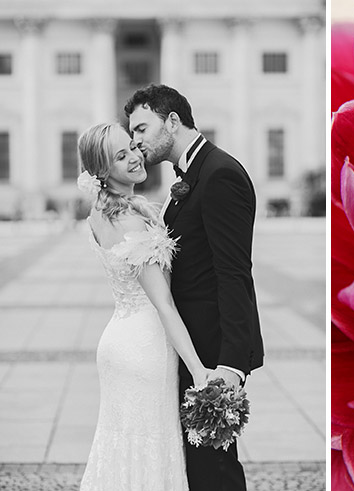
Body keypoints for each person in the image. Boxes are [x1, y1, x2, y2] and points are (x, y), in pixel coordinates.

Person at [125, 84, 264, 491]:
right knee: (197, 465)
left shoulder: (219, 174)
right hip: (190, 342)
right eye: (132, 133)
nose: (136, 141)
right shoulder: (191, 174)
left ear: (172, 121)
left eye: (141, 129)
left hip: (211, 351)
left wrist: (232, 364)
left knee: (214, 470)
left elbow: (234, 271)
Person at [77, 122, 212, 490]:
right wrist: (199, 370)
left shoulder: (100, 214)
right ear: (103, 173)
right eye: (121, 156)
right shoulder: (130, 220)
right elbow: (164, 304)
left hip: (119, 336)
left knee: (120, 446)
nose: (136, 157)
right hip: (145, 346)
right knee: (151, 447)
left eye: (132, 147)